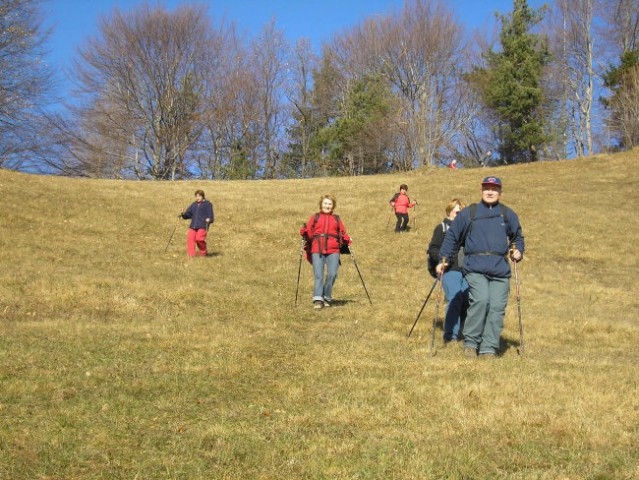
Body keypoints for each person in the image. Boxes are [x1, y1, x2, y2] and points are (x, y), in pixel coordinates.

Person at [436, 177, 524, 359]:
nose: (490, 192)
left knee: (497, 306)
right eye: (487, 188)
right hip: (475, 267)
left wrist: (518, 251)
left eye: (494, 188)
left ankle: (489, 348)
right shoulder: (470, 213)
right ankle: (471, 344)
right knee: (481, 300)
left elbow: (517, 237)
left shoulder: (507, 214)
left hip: (500, 270)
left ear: (500, 191)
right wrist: (444, 258)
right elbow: (452, 236)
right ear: (481, 190)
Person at [427, 198, 469, 343]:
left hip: (467, 270)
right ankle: (451, 335)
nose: (460, 215)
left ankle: (464, 333)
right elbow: (432, 248)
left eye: (462, 213)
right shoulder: (442, 228)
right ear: (449, 212)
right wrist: (442, 260)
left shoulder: (467, 230)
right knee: (455, 298)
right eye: (457, 212)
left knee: (467, 300)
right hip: (450, 269)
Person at [299, 194, 351, 309]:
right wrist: (304, 232)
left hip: (333, 249)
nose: (327, 206)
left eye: (330, 204)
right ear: (321, 204)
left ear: (333, 206)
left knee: (333, 274)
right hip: (317, 249)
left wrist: (346, 238)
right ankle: (318, 299)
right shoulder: (315, 217)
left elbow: (342, 232)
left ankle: (326, 296)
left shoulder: (336, 218)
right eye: (325, 203)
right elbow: (309, 233)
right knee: (319, 275)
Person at [180, 189, 214, 257]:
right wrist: (182, 214)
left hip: (202, 225)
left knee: (199, 239)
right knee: (190, 239)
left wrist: (209, 219)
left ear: (203, 196)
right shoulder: (194, 204)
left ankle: (203, 252)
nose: (197, 198)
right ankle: (191, 255)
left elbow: (211, 215)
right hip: (193, 226)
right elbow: (187, 215)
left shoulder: (208, 204)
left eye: (199, 196)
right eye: (196, 196)